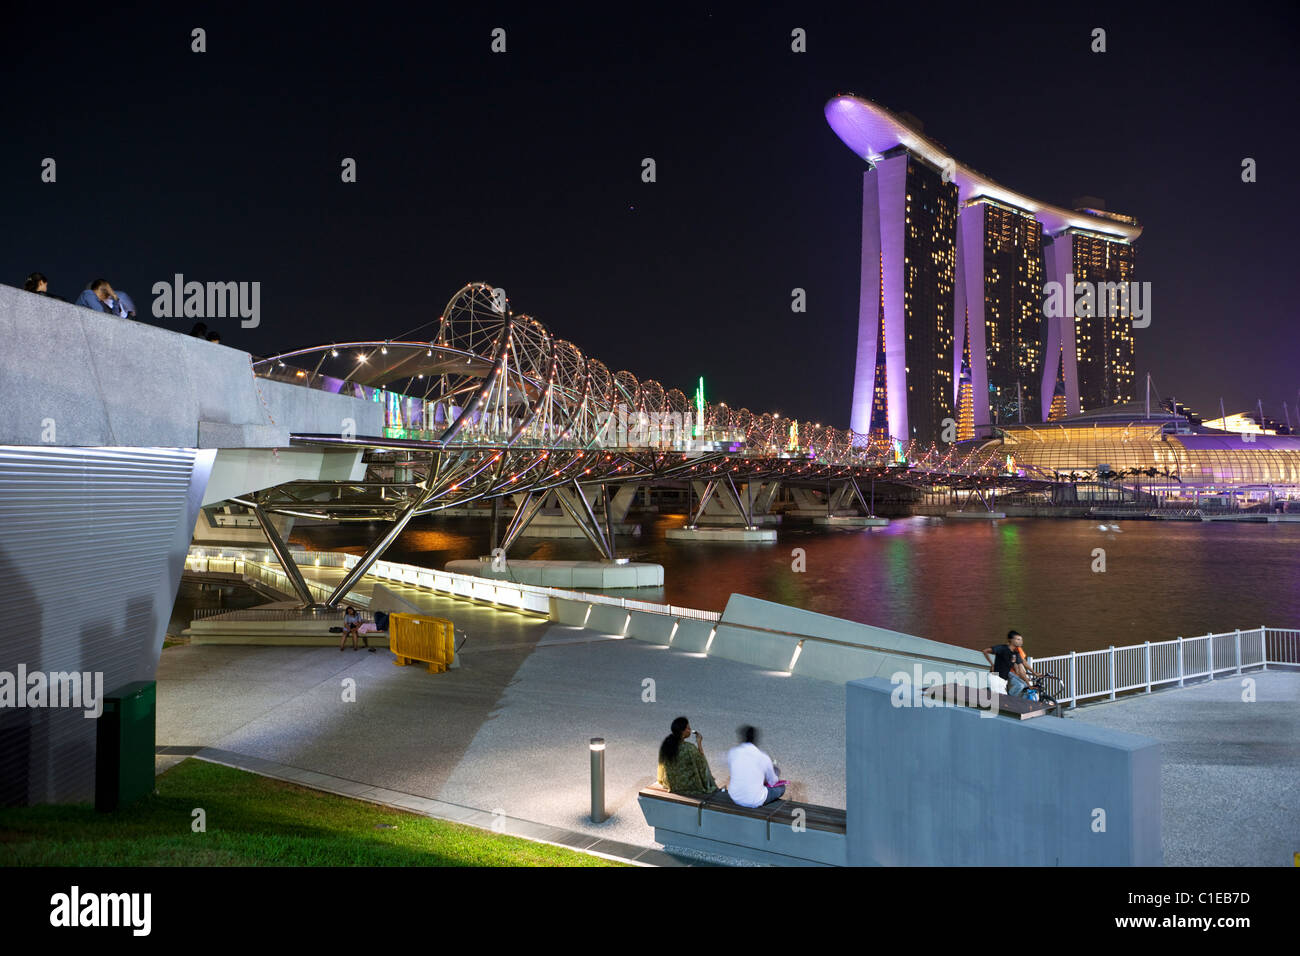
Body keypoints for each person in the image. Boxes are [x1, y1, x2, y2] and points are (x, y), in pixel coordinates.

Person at [656, 716, 719, 795]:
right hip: (686, 786)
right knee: (705, 770)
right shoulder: (689, 748)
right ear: (682, 732)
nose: (690, 730)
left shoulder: (666, 745)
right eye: (688, 728)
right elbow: (702, 764)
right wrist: (699, 743)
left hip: (671, 783)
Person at [726, 725, 785, 807]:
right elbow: (772, 781)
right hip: (755, 800)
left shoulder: (733, 752)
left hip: (735, 797)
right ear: (755, 739)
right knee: (781, 788)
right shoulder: (763, 757)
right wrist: (776, 773)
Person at [983, 630, 1037, 698]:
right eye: (1018, 639)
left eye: (1021, 640)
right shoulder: (1002, 648)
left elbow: (1021, 671)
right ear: (1011, 640)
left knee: (1005, 700)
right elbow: (985, 651)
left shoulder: (1016, 653)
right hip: (995, 678)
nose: (1021, 641)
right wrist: (992, 664)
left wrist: (1029, 685)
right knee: (1003, 700)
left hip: (1003, 681)